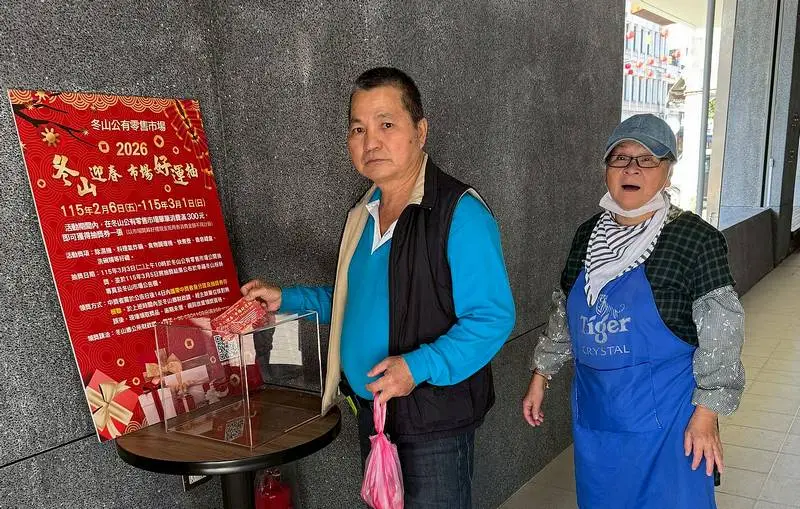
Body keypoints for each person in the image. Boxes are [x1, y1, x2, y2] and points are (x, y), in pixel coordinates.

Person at [242, 67, 515, 508]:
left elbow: (492, 318)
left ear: (420, 131)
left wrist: (417, 367)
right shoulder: (364, 212)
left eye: (386, 124)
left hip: (433, 423)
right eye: (358, 129)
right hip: (375, 414)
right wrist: (286, 298)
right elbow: (354, 299)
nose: (371, 142)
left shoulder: (458, 213)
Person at [522, 114, 745, 509]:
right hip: (598, 416)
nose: (631, 169)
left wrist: (707, 412)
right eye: (620, 158)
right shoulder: (587, 236)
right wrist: (542, 374)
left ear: (668, 170)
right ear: (606, 168)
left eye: (647, 160)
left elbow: (722, 330)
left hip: (670, 423)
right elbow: (564, 312)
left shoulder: (695, 239)